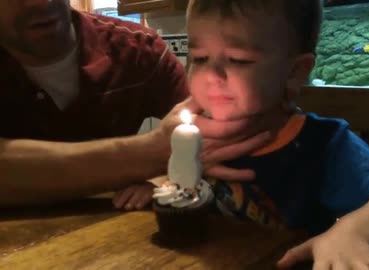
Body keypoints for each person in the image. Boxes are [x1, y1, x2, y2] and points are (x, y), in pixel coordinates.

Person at [126, 0, 369, 269]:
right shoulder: (197, 133)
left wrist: (352, 233)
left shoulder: (318, 144)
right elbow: (187, 182)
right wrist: (159, 184)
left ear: (294, 73)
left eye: (239, 60)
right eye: (200, 58)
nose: (210, 75)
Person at [0, 0, 276, 208]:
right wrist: (151, 154)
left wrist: (163, 182)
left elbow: (217, 138)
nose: (41, 1)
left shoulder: (139, 50)